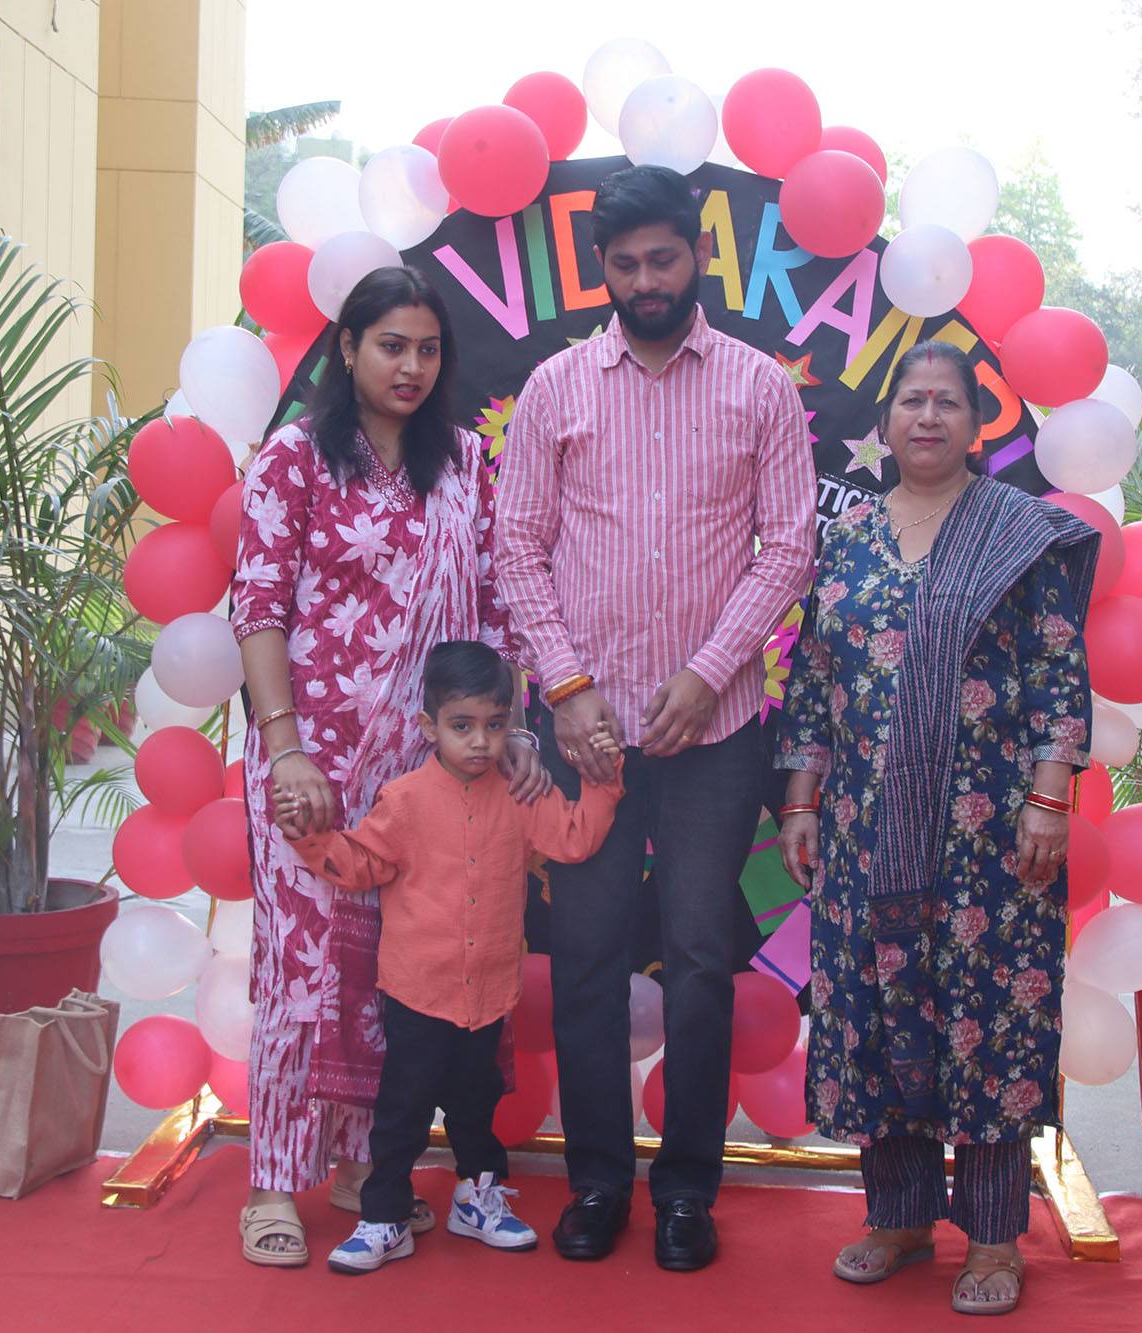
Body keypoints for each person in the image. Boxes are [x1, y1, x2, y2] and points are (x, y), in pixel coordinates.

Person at [494, 163, 816, 1272]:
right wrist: (569, 687)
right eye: (625, 265)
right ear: (603, 270)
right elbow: (517, 545)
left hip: (714, 734)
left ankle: (685, 1191)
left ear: (698, 256)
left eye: (663, 260)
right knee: (585, 957)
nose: (645, 281)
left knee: (698, 958)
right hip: (584, 736)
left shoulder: (759, 387)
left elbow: (789, 545)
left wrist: (710, 671)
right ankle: (595, 1183)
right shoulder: (555, 387)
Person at [230, 267, 550, 1268]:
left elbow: (494, 604)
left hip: (431, 773)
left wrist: (510, 730)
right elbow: (257, 607)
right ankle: (270, 1183)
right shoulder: (294, 459)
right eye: (390, 345)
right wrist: (285, 748)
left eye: (427, 348)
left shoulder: (464, 462)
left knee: (395, 978)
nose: (411, 366)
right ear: (347, 349)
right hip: (313, 766)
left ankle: (362, 1171)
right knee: (302, 972)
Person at [774, 342, 1098, 1316]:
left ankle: (994, 1240)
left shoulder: (1015, 533)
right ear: (886, 422)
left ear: (976, 423)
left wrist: (1050, 796)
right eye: (910, 400)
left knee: (984, 1022)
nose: (926, 416)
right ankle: (899, 1217)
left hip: (987, 839)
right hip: (863, 836)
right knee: (877, 1019)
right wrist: (800, 799)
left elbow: (1055, 666)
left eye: (946, 402)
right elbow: (814, 679)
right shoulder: (850, 537)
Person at [276, 640, 625, 1273]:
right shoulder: (405, 799)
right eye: (462, 726)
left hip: (486, 995)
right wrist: (309, 836)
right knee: (401, 1111)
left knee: (476, 1107)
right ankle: (385, 1216)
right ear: (428, 726)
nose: (481, 742)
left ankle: (477, 1199)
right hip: (416, 992)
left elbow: (574, 839)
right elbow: (360, 864)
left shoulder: (522, 794)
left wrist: (604, 782)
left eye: (494, 725)